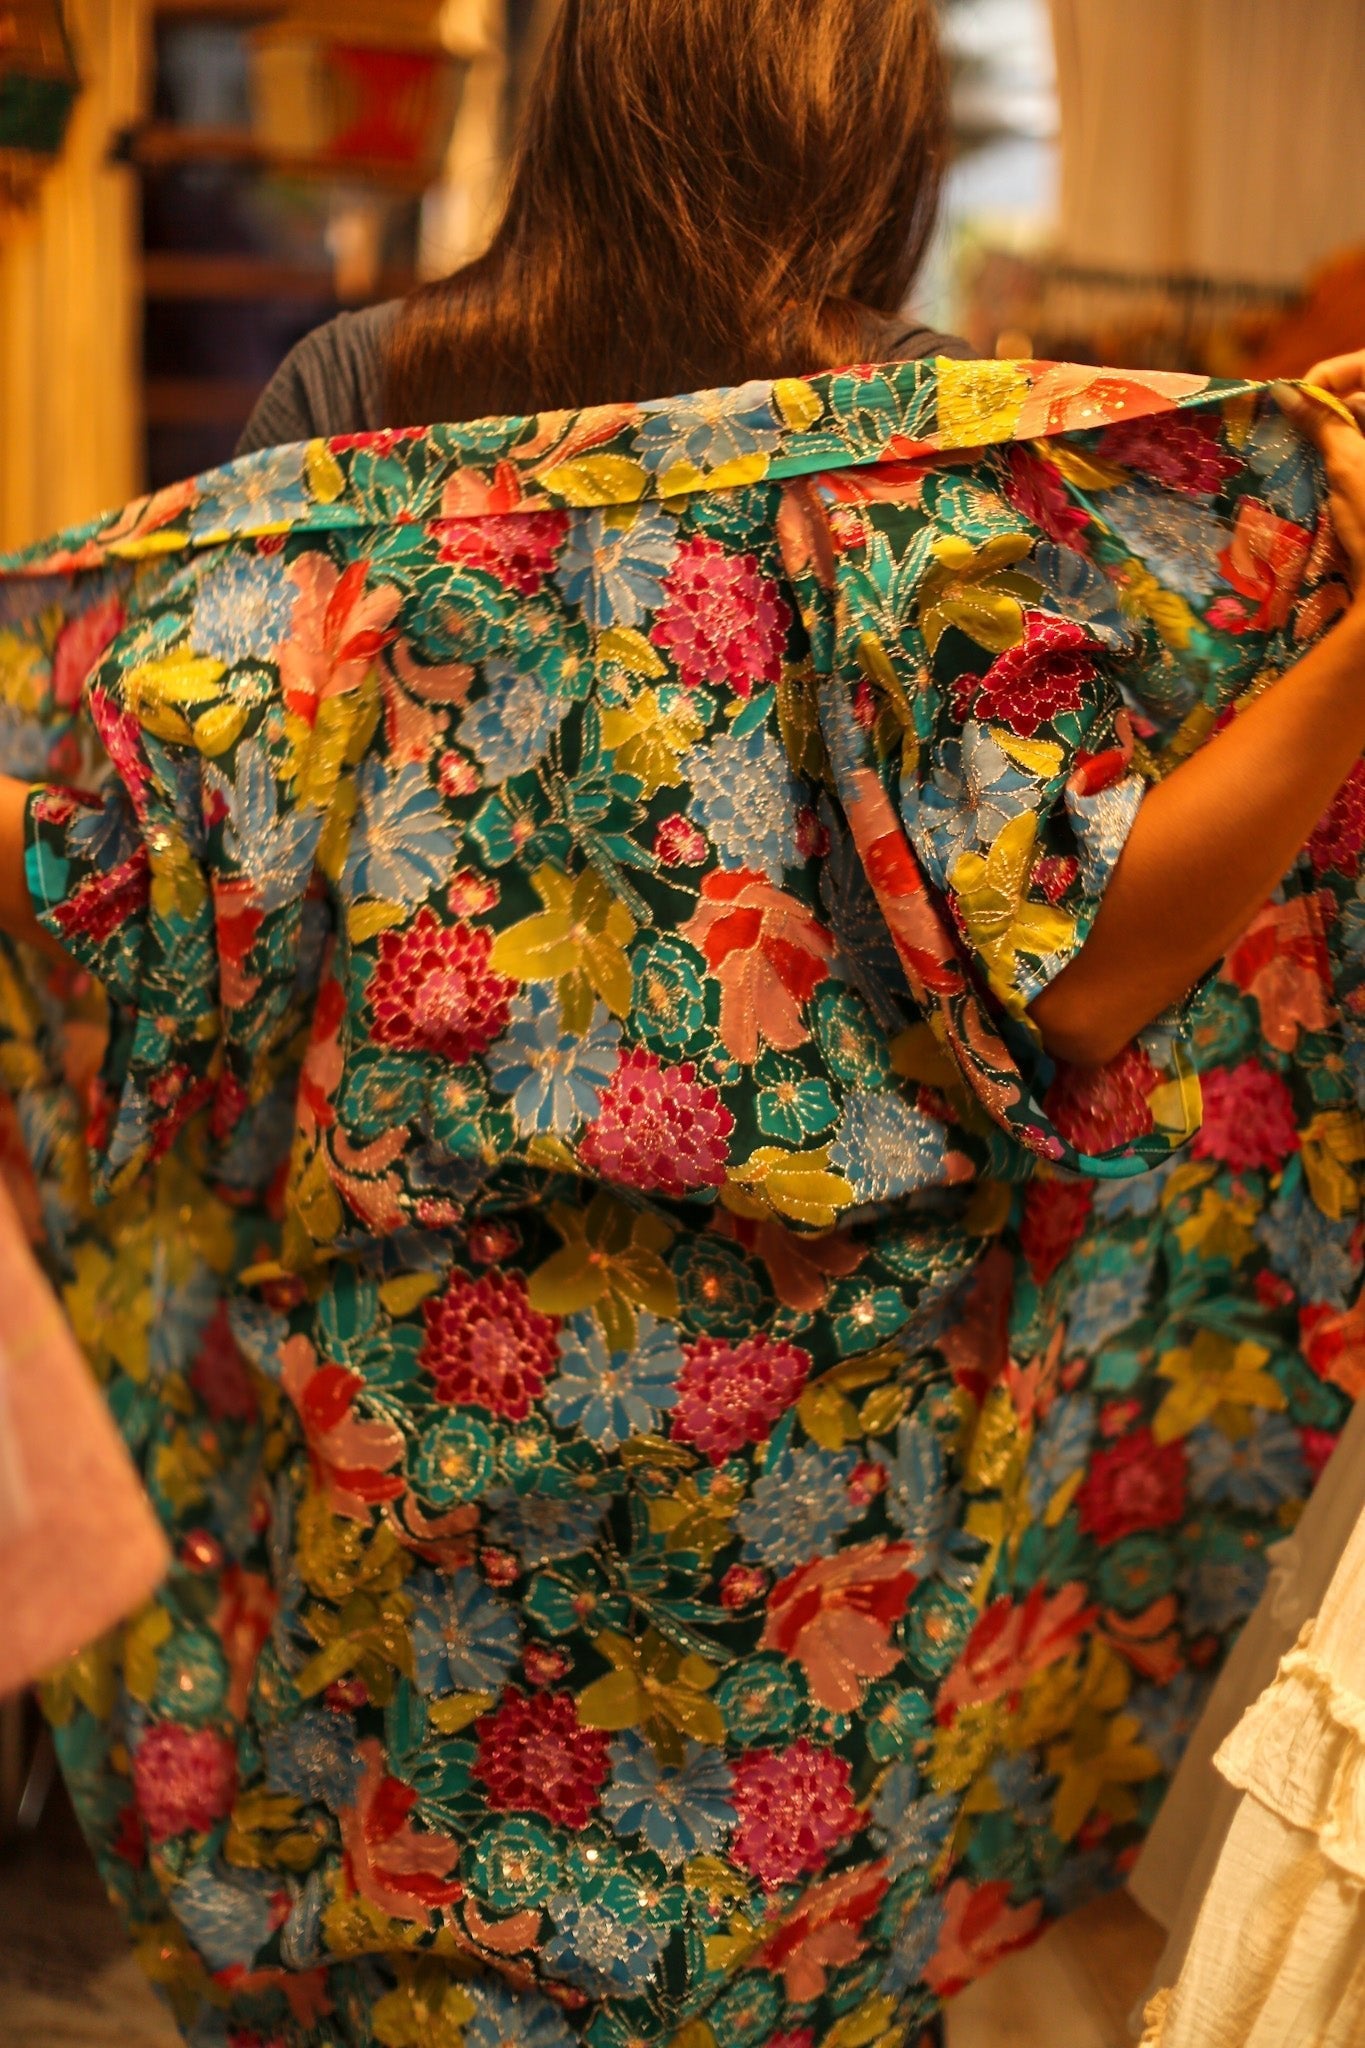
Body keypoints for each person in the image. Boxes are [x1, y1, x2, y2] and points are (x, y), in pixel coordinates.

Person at [3, 4, 1365, 2045]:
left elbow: (177, 896)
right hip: (818, 1453)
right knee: (774, 1977)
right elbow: (1079, 964)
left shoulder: (357, 398)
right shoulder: (929, 448)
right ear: (870, 120)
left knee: (418, 1938)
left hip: (425, 1386)